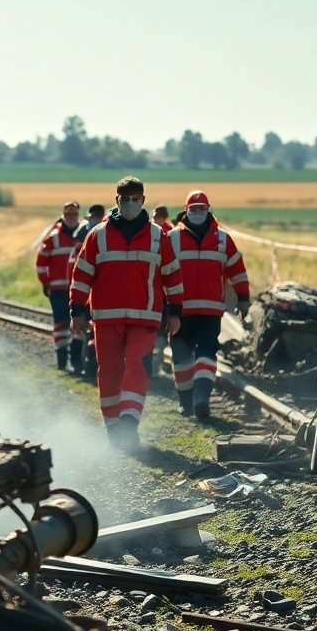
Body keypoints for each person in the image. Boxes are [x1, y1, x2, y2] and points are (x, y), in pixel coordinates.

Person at [70, 176, 183, 448]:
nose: (130, 203)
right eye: (125, 199)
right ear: (116, 200)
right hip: (106, 319)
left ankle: (129, 421)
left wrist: (176, 312)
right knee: (108, 371)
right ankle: (113, 427)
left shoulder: (158, 236)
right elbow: (82, 274)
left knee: (137, 366)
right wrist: (77, 311)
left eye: (135, 199)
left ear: (143, 200)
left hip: (145, 319)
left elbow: (172, 275)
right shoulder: (98, 235)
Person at [168, 190, 251, 419]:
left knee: (206, 353)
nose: (197, 213)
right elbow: (160, 274)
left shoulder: (223, 239)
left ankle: (201, 398)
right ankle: (186, 402)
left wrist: (243, 298)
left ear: (208, 209)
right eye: (193, 209)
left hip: (210, 311)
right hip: (180, 311)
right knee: (181, 359)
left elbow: (238, 271)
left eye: (201, 209)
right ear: (186, 210)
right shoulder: (172, 238)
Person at [36, 201, 84, 373]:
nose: (71, 217)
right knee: (61, 323)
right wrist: (46, 282)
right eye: (68, 214)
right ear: (63, 214)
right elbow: (41, 263)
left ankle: (77, 362)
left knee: (78, 325)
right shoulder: (53, 237)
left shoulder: (82, 236)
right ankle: (62, 360)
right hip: (57, 290)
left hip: (77, 289)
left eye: (74, 214)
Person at [71, 203, 108, 382]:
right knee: (86, 332)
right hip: (89, 296)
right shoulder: (87, 235)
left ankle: (89, 367)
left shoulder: (94, 236)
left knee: (91, 333)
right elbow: (77, 268)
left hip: (95, 296)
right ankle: (85, 366)